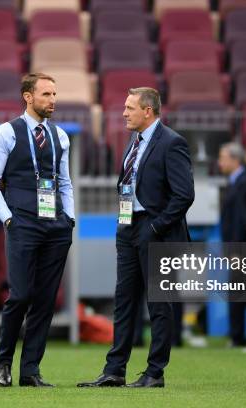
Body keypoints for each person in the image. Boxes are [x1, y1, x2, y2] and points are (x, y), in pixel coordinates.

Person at [77, 87, 194, 388]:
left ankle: (155, 373)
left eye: (130, 108)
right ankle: (115, 370)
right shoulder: (134, 140)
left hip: (156, 231)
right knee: (124, 302)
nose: (124, 113)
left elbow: (184, 195)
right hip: (128, 227)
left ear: (148, 111)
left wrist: (156, 227)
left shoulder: (172, 143)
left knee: (158, 304)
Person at [0, 73, 75, 387]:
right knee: (20, 296)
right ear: (28, 96)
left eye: (54, 94)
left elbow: (64, 182)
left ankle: (30, 371)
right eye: (46, 94)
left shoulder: (60, 136)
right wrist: (8, 219)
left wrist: (70, 218)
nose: (53, 100)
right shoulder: (5, 133)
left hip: (56, 226)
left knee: (46, 300)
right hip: (22, 223)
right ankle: (3, 361)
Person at [218, 142, 246, 347]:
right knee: (244, 293)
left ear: (235, 159)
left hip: (242, 248)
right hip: (237, 247)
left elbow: (240, 219)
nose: (220, 161)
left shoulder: (244, 181)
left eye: (223, 157)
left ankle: (238, 337)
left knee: (239, 293)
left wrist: (236, 250)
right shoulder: (234, 181)